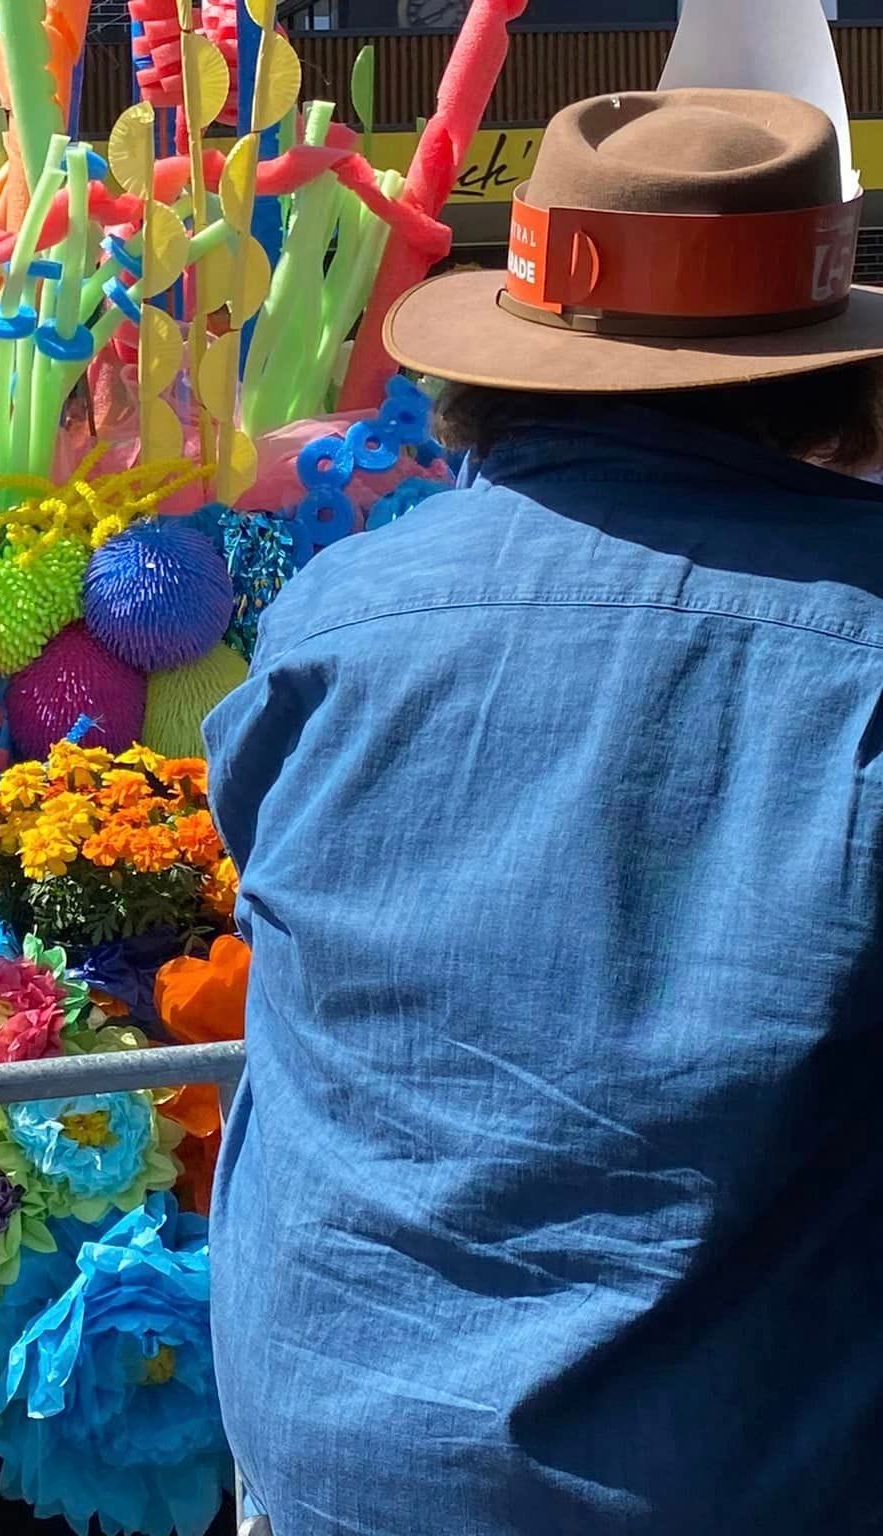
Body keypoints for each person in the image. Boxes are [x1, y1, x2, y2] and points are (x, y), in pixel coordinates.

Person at [203, 89, 883, 1534]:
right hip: (733, 1474)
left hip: (338, 1459)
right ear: (823, 373)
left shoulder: (342, 615)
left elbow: (260, 856)